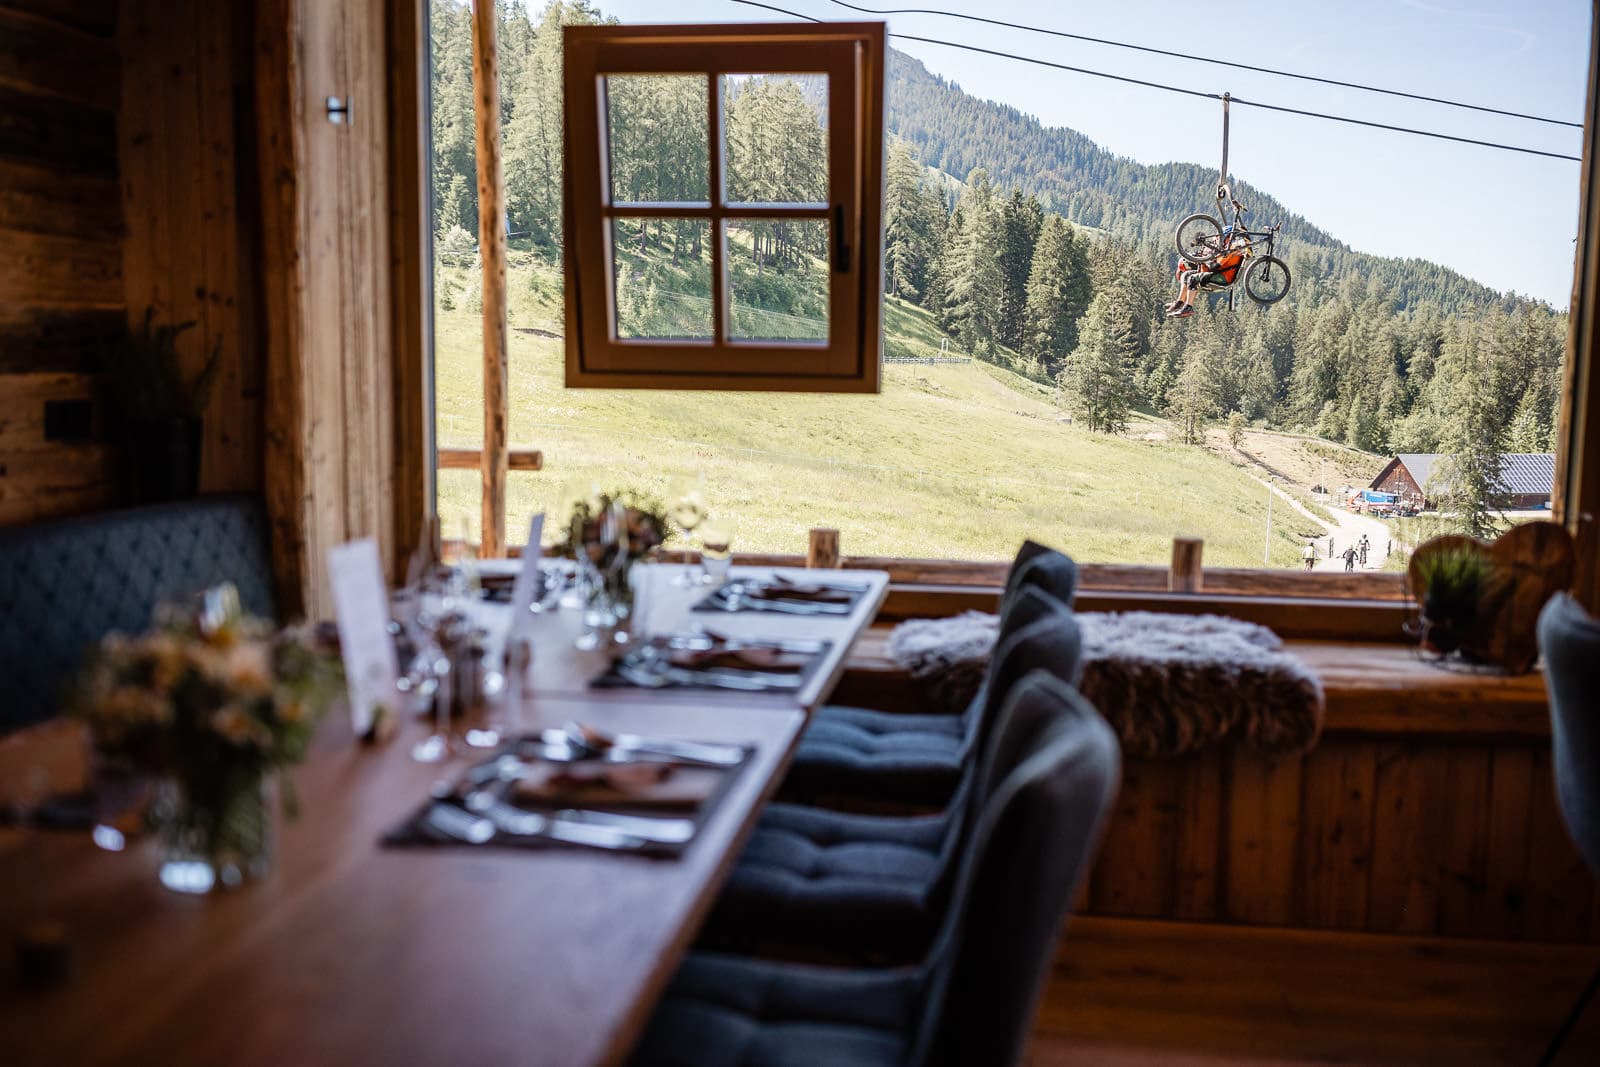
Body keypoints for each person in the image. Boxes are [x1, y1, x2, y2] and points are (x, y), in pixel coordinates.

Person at [1166, 231, 1248, 318]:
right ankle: (1180, 302)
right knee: (1186, 275)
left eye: (1219, 238)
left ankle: (1188, 307)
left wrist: (1205, 259)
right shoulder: (1227, 249)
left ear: (1227, 238)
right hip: (1219, 272)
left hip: (1224, 277)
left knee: (1193, 278)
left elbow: (1214, 266)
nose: (1217, 240)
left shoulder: (1230, 250)